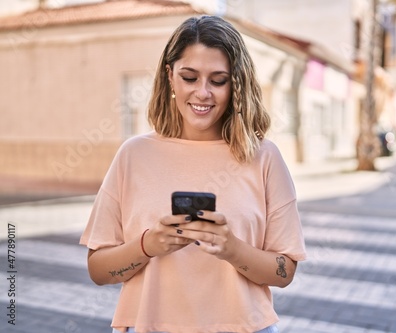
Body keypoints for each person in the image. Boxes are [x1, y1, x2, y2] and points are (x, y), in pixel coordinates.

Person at [80, 15, 306, 333]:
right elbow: (98, 271)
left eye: (218, 80)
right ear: (170, 76)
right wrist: (148, 245)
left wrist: (232, 248)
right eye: (190, 77)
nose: (203, 93)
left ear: (236, 84)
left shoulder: (264, 157)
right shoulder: (133, 155)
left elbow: (284, 273)